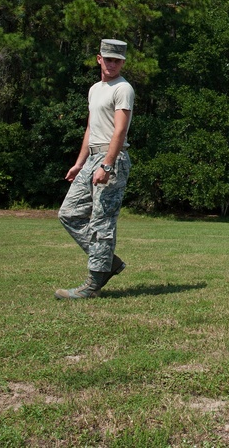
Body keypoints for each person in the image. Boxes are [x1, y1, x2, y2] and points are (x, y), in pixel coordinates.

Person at [55, 39, 134, 299]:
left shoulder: (123, 89)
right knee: (69, 213)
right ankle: (108, 261)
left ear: (123, 62)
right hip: (91, 158)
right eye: (108, 59)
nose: (112, 64)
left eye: (117, 60)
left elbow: (120, 130)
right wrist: (80, 163)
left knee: (102, 220)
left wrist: (107, 165)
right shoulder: (95, 89)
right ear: (99, 58)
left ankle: (94, 283)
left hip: (112, 158)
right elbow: (91, 128)